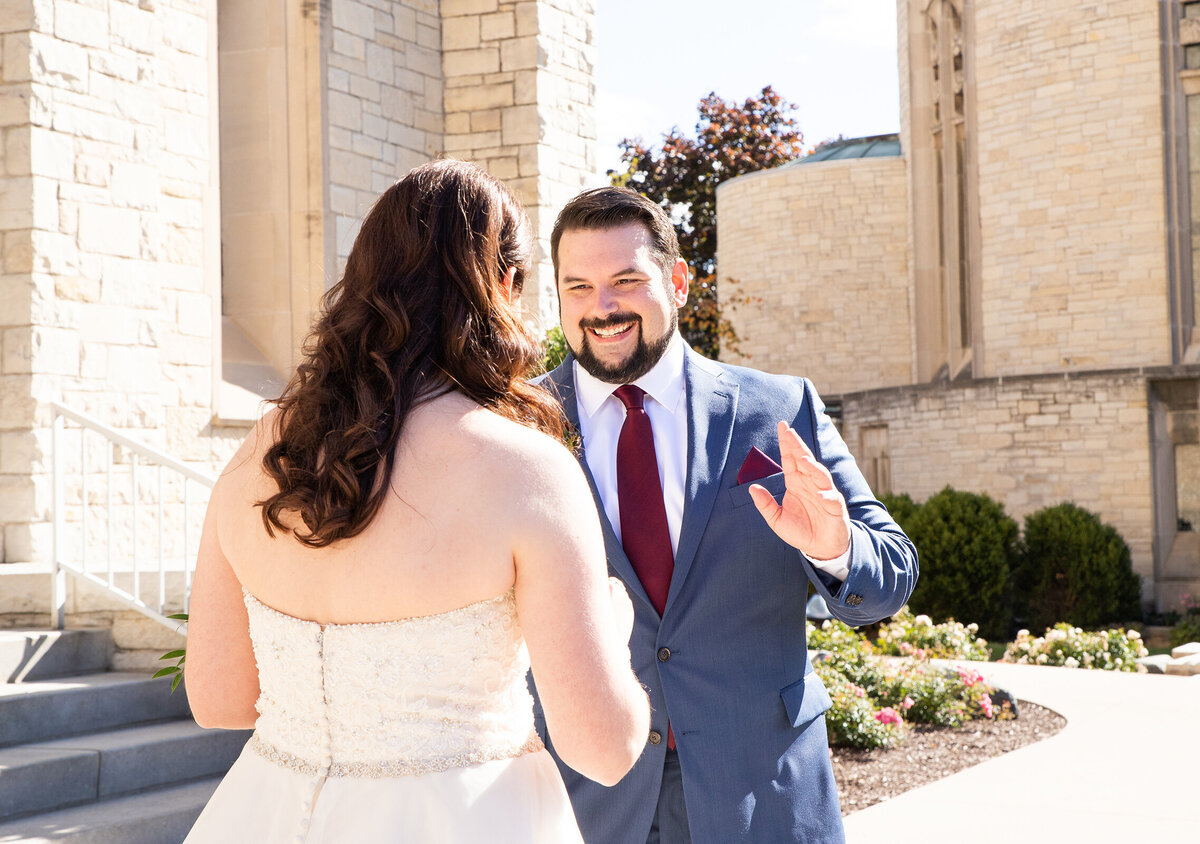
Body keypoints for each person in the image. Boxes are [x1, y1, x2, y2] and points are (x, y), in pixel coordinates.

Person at [181, 160, 650, 843]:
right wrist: (611, 628)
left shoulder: (259, 454)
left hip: (269, 814)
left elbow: (218, 700)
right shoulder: (528, 471)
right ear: (504, 284)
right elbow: (603, 750)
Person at [535, 186, 919, 844]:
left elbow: (889, 577)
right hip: (587, 802)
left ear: (678, 281)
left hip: (762, 796)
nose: (601, 308)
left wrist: (835, 547)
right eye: (578, 287)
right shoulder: (519, 425)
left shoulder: (775, 410)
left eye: (626, 280)